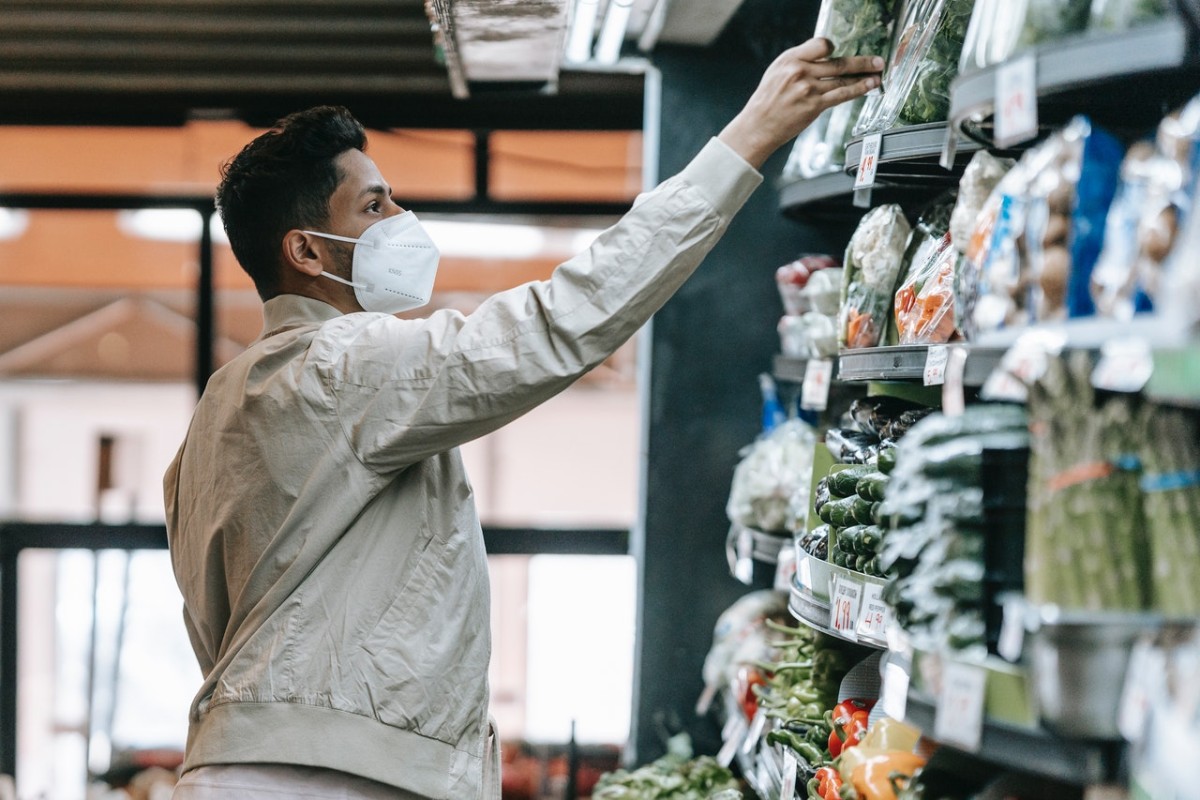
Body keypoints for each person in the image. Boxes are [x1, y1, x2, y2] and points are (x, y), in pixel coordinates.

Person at [164, 37, 882, 800]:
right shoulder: (340, 366)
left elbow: (214, 625)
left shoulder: (219, 411)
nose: (402, 218)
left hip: (248, 762)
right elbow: (560, 321)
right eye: (373, 206)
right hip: (328, 776)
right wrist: (747, 138)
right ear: (307, 250)